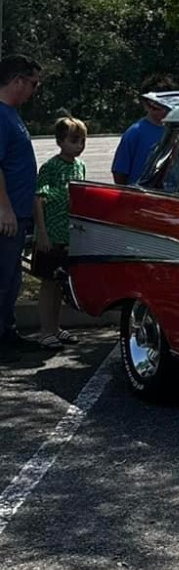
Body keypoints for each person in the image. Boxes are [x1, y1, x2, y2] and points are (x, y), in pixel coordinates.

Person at [0, 53, 46, 363]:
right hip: (7, 216)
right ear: (17, 81)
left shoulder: (12, 114)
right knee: (3, 277)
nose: (34, 91)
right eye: (33, 84)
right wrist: (4, 209)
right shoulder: (1, 115)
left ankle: (7, 332)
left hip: (18, 213)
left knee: (11, 277)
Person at [32, 116, 87, 348]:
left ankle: (56, 327)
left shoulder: (80, 166)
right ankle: (45, 330)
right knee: (48, 282)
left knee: (61, 283)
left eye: (82, 141)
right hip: (51, 235)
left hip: (69, 234)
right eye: (74, 140)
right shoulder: (50, 168)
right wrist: (42, 233)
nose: (79, 145)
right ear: (60, 141)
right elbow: (39, 199)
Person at [112, 74, 176, 185]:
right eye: (154, 104)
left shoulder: (175, 132)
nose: (162, 109)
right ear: (145, 104)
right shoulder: (135, 133)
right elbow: (120, 171)